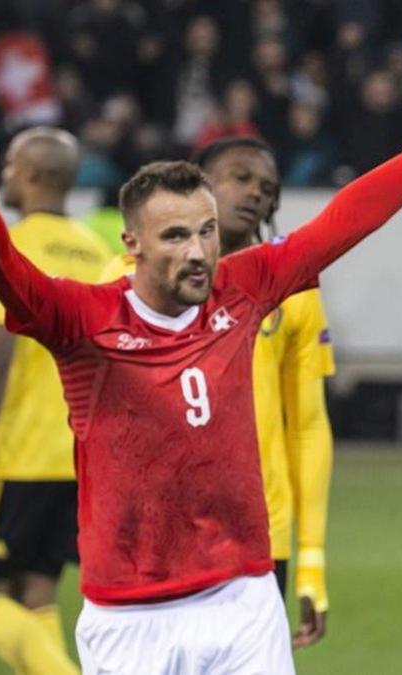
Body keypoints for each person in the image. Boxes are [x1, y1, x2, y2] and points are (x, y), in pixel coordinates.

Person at [0, 37, 402, 674]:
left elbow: (349, 217)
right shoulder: (86, 319)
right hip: (129, 615)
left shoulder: (243, 289)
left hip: (243, 598)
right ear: (132, 243)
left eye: (205, 231)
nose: (197, 251)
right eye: (175, 236)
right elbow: (3, 272)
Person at [99, 135, 337, 648]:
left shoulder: (291, 288)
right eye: (240, 177)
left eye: (268, 188)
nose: (256, 193)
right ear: (200, 186)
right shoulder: (127, 282)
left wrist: (312, 558)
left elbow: (309, 425)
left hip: (255, 539)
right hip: (152, 539)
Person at [0, 127, 109, 675]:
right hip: (77, 457)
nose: (7, 176)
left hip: (16, 452)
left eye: (12, 166)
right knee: (36, 596)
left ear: (36, 175)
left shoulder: (8, 243)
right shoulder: (100, 253)